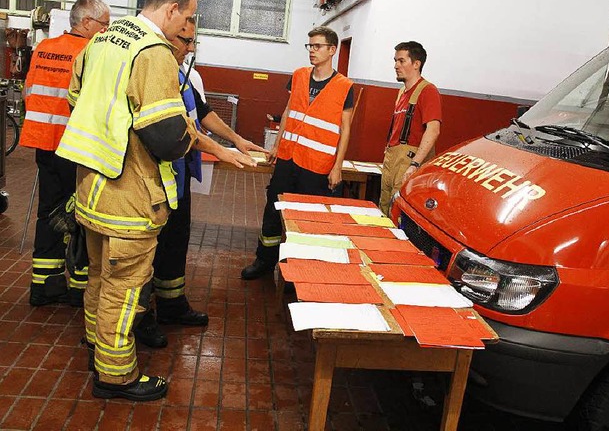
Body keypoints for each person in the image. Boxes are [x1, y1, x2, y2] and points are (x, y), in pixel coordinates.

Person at [56, 0, 254, 401]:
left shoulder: (104, 40)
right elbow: (165, 137)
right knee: (124, 289)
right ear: (170, 11)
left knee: (97, 276)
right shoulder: (153, 53)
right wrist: (205, 144)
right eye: (189, 16)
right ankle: (116, 375)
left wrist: (120, 131)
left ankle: (97, 346)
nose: (189, 26)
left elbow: (78, 97)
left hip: (91, 185)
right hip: (128, 196)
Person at [135, 17, 267, 347]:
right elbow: (177, 129)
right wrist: (220, 150)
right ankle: (141, 319)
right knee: (147, 254)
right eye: (186, 40)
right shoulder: (155, 72)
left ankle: (172, 305)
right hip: (151, 182)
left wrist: (236, 138)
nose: (191, 48)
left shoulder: (180, 73)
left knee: (175, 243)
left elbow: (203, 112)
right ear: (167, 38)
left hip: (175, 179)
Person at [241, 26, 354, 280]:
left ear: (332, 50)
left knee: (307, 220)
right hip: (288, 158)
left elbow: (345, 130)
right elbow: (289, 110)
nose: (312, 51)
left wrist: (337, 166)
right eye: (309, 46)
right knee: (273, 210)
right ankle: (264, 261)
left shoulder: (345, 86)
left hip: (317, 165)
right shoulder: (299, 75)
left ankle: (299, 271)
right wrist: (277, 145)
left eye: (317, 46)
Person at [19, 0, 110, 307]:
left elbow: (30, 91)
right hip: (75, 146)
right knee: (80, 215)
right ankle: (79, 288)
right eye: (103, 24)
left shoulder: (44, 47)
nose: (105, 30)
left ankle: (43, 286)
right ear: (86, 22)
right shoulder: (91, 51)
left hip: (44, 141)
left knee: (48, 212)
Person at [379, 41, 442, 216]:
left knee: (397, 210)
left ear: (416, 64)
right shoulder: (402, 92)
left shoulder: (428, 91)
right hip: (392, 159)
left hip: (408, 161)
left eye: (401, 61)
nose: (396, 66)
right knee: (384, 206)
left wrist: (415, 164)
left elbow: (433, 129)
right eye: (395, 61)